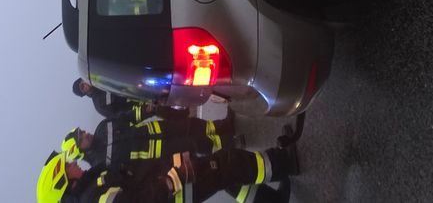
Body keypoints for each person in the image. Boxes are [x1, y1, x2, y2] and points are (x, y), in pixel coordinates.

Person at [36, 145, 295, 202]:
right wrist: (175, 178)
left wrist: (172, 163)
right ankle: (283, 162)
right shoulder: (94, 197)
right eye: (67, 167)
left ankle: (271, 201)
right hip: (177, 190)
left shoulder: (93, 185)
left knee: (226, 176)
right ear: (64, 182)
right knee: (230, 163)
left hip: (176, 182)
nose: (73, 164)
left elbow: (136, 175)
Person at [62, 112, 233, 168]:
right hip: (160, 152)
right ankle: (227, 143)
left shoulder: (101, 127)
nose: (85, 134)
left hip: (157, 129)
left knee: (191, 125)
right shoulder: (101, 165)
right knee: (194, 145)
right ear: (79, 151)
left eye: (82, 132)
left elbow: (127, 116)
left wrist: (145, 110)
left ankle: (224, 126)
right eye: (82, 138)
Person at [72, 79, 189, 124]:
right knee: (159, 109)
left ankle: (186, 97)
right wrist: (139, 112)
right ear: (84, 93)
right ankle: (182, 117)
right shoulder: (99, 104)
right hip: (136, 106)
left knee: (164, 91)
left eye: (83, 82)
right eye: (83, 87)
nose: (86, 85)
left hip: (136, 88)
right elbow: (117, 116)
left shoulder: (99, 80)